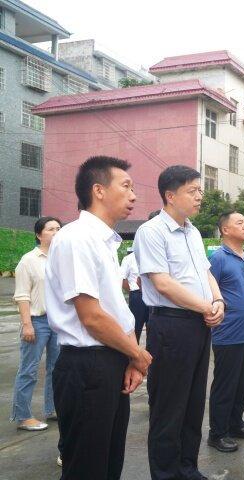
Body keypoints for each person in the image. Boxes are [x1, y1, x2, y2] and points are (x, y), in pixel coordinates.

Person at [46, 156, 152, 480]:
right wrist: (138, 354)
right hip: (87, 367)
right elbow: (91, 317)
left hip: (110, 360)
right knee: (87, 468)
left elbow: (117, 310)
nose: (133, 195)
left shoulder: (104, 242)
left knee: (109, 463)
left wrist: (130, 358)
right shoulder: (76, 238)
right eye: (126, 186)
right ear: (99, 190)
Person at [133, 165, 224, 480]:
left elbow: (206, 272)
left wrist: (218, 301)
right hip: (171, 326)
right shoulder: (152, 232)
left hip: (199, 324)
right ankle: (166, 474)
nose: (199, 197)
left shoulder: (193, 232)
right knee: (169, 407)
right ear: (170, 195)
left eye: (200, 190)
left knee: (193, 403)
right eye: (192, 191)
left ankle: (188, 468)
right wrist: (206, 307)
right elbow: (162, 283)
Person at [207, 212, 244, 453]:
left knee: (242, 383)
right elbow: (209, 291)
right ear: (225, 230)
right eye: (240, 223)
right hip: (228, 333)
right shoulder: (218, 258)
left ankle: (235, 424)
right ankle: (217, 433)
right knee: (225, 385)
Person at [11, 216, 62, 432]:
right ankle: (23, 416)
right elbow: (22, 295)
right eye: (51, 229)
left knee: (57, 368)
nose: (56, 232)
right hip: (37, 321)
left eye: (58, 228)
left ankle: (53, 408)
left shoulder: (61, 259)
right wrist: (27, 324)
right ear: (39, 235)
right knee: (29, 370)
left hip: (57, 322)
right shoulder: (28, 260)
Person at [121, 246, 149, 342]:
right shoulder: (129, 258)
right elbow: (123, 280)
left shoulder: (151, 255)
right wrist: (133, 292)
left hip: (151, 296)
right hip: (137, 295)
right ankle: (133, 349)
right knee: (135, 327)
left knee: (152, 328)